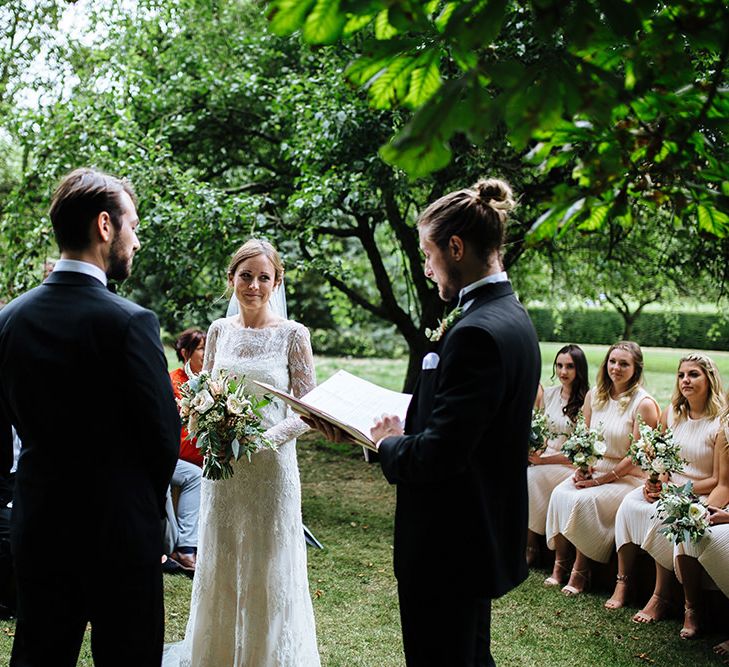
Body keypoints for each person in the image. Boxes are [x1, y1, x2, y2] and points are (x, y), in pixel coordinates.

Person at [314, 178, 540, 666]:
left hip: (449, 543)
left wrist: (388, 444)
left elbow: (442, 452)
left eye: (428, 253)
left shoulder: (477, 331)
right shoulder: (508, 314)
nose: (427, 267)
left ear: (455, 247)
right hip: (475, 533)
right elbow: (464, 415)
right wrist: (369, 428)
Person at [0, 168, 180, 666]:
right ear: (106, 226)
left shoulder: (9, 319)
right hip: (118, 536)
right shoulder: (130, 322)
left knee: (39, 654)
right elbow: (164, 437)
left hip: (39, 526)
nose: (136, 241)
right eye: (134, 226)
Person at [171, 239, 320, 666]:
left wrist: (265, 439)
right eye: (245, 276)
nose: (253, 285)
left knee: (267, 563)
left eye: (263, 277)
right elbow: (205, 391)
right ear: (232, 278)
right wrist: (205, 423)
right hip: (223, 471)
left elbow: (308, 411)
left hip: (271, 472)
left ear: (277, 282)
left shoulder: (293, 335)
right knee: (221, 557)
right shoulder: (218, 330)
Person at [607, 353, 724, 621]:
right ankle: (622, 581)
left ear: (710, 379)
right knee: (629, 504)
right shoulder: (673, 413)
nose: (685, 380)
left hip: (698, 492)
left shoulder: (720, 422)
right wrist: (653, 481)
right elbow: (655, 457)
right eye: (681, 375)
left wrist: (679, 492)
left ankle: (661, 596)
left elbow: (717, 479)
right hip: (669, 487)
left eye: (694, 374)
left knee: (664, 515)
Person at [545, 341, 659, 596]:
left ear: (636, 368)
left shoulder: (644, 404)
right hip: (595, 471)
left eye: (624, 363)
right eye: (612, 361)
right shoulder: (594, 395)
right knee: (560, 493)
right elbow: (583, 439)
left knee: (585, 502)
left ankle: (581, 571)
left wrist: (602, 480)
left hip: (627, 477)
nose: (616, 368)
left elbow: (637, 455)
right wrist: (583, 468)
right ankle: (559, 563)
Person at [528, 344, 589, 580]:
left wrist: (543, 461)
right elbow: (542, 432)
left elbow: (579, 451)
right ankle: (529, 543)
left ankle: (534, 547)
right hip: (545, 457)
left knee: (531, 477)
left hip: (568, 464)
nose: (563, 371)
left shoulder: (586, 400)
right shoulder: (550, 394)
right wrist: (535, 454)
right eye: (559, 365)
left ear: (579, 369)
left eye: (570, 366)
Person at [674, 403, 729, 646]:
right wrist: (703, 513)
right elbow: (724, 483)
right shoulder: (727, 426)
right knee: (688, 526)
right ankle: (692, 609)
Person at [165, 328, 205, 572]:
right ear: (185, 353)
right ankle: (186, 548)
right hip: (173, 456)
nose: (209, 353)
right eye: (202, 348)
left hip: (202, 455)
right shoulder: (174, 381)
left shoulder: (212, 381)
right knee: (194, 476)